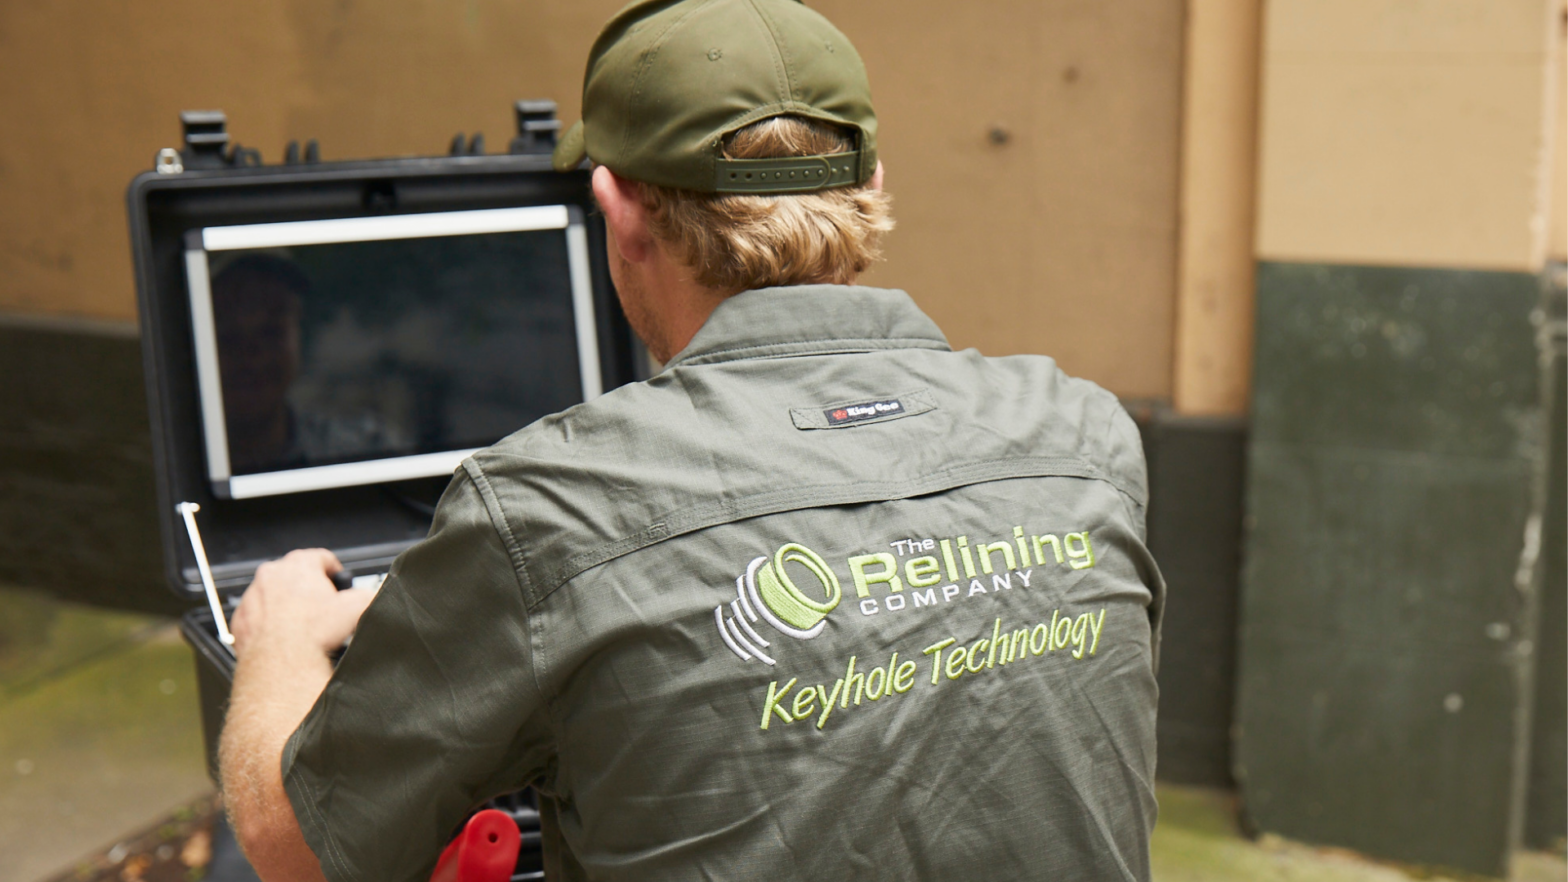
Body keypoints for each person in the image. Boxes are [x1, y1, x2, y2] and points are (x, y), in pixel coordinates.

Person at [219, 0, 1165, 880]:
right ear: (871, 183)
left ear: (619, 207)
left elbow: (292, 845)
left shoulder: (551, 513)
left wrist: (279, 644)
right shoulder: (1084, 436)